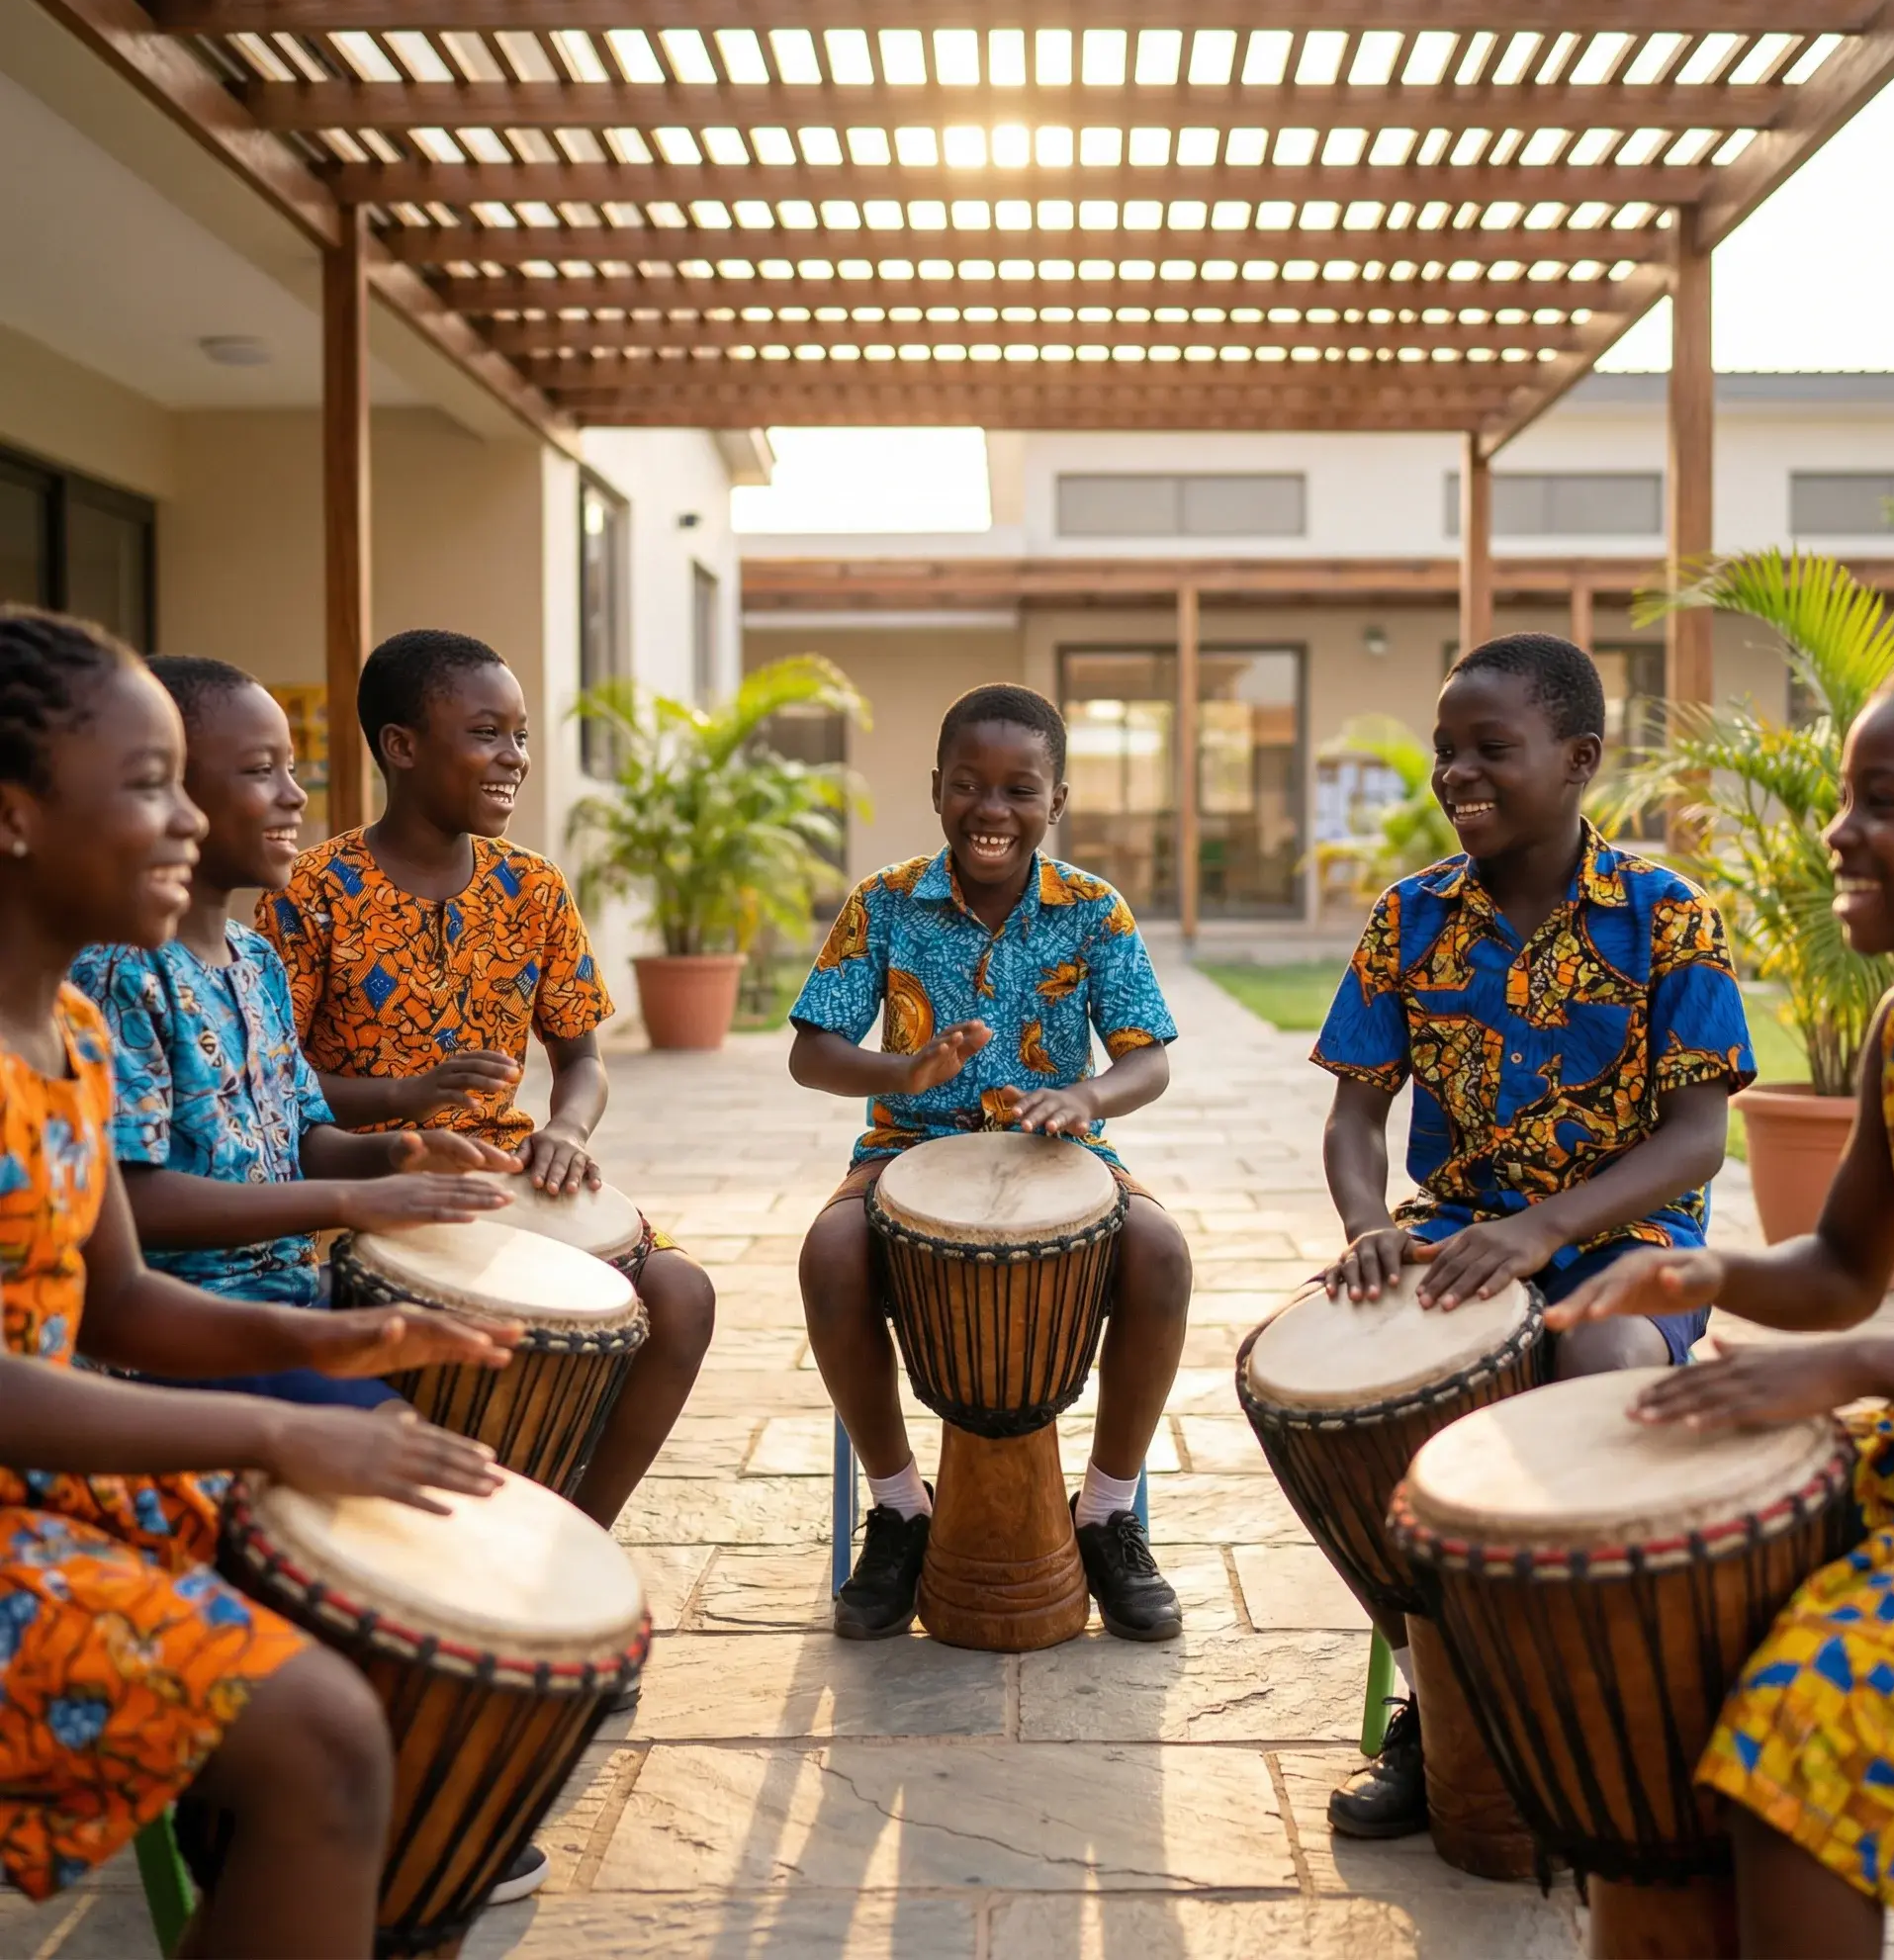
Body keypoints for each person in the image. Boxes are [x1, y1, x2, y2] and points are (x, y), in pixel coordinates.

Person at [0, 607, 514, 1954]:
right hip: (33, 1484)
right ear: (12, 819)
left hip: (63, 1456)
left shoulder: (69, 1038)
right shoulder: (81, 1007)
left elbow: (112, 1297)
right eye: (148, 783)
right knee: (326, 1721)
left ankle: (327, 1849)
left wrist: (352, 1346)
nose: (183, 821)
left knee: (393, 1524)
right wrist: (281, 1413)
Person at [1548, 644, 1894, 1960]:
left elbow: (1860, 1336)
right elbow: (1840, 1274)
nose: (1840, 828)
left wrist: (1855, 1372)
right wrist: (1704, 1275)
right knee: (1666, 1605)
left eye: (1884, 799)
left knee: (1812, 1708)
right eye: (1845, 796)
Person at [1308, 633, 1756, 1843]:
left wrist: (1539, 1230)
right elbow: (1355, 1111)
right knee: (1335, 1394)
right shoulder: (1407, 916)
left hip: (1623, 1232)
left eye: (1488, 749)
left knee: (1594, 1370)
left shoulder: (1669, 918)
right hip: (1450, 1229)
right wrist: (1365, 1227)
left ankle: (1585, 1705)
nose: (1456, 771)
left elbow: (1695, 1140)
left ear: (1577, 759)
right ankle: (1431, 1695)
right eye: (1446, 748)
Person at [255, 630, 715, 1535]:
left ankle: (580, 1539)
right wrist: (403, 1096)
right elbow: (276, 1087)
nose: (514, 759)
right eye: (487, 734)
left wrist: (567, 1133)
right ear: (402, 746)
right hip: (364, 1175)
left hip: (503, 1167)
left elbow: (581, 1059)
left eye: (522, 736)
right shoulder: (311, 891)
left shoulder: (533, 889)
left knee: (681, 1295)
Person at [787, 682, 1193, 1644]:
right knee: (828, 1255)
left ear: (1055, 801)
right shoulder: (882, 902)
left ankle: (1106, 1512)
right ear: (936, 788)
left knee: (1161, 1257)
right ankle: (898, 1507)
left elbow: (1148, 1057)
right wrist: (903, 1067)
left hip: (1060, 1156)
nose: (992, 809)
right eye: (969, 784)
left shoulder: (1093, 910)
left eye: (1019, 789)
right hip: (904, 1150)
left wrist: (1086, 1095)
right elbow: (811, 1051)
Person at [70, 655, 523, 1409]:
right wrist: (345, 1203)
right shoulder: (121, 972)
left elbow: (304, 1139)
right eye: (260, 772)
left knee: (497, 1357)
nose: (293, 796)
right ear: (170, 795)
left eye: (290, 769)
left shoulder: (255, 961)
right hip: (185, 1332)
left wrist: (402, 1153)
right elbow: (133, 1200)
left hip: (291, 1291)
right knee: (399, 1427)